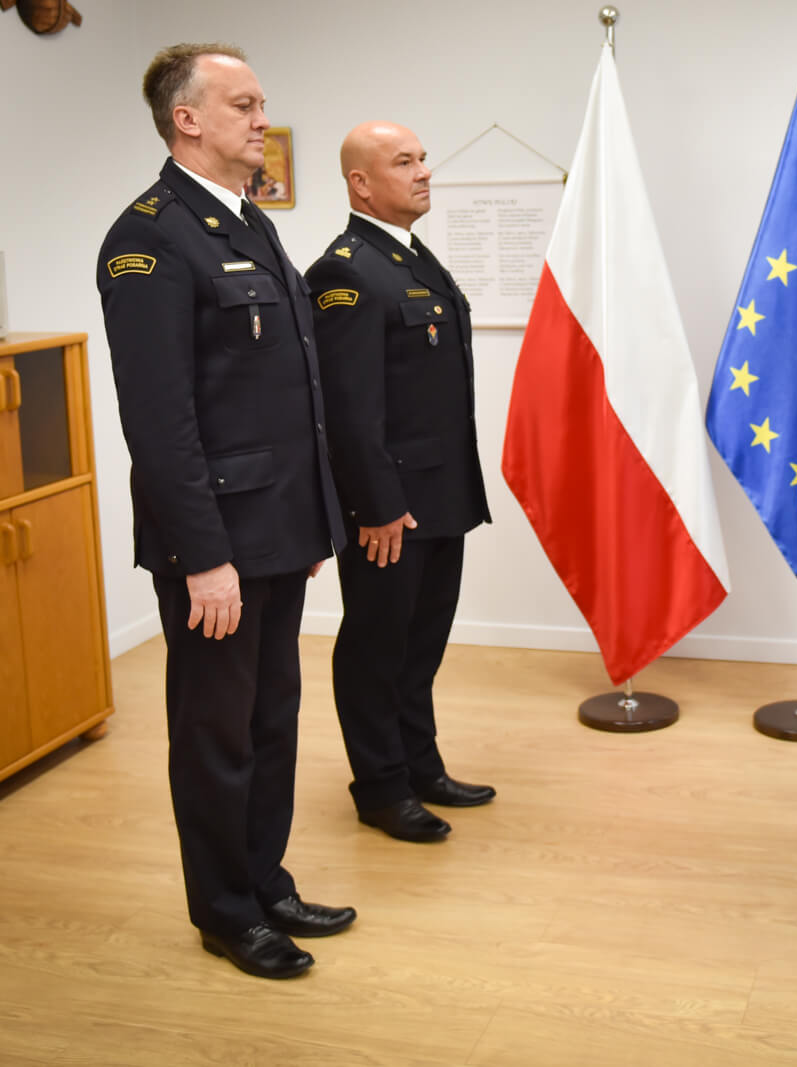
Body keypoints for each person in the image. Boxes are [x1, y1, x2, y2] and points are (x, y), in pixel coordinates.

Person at [96, 43, 355, 980]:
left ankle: (265, 879)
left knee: (272, 719)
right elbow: (159, 423)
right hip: (214, 545)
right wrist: (204, 556)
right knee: (215, 733)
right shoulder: (150, 239)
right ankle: (225, 911)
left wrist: (311, 520)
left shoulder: (247, 220)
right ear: (188, 119)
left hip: (277, 530)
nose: (260, 117)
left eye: (259, 101)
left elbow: (290, 394)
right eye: (242, 103)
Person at [306, 122, 494, 844]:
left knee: (420, 648)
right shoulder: (346, 273)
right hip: (392, 510)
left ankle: (421, 766)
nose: (423, 172)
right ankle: (381, 788)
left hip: (440, 498)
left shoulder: (408, 257)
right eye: (404, 162)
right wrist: (376, 506)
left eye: (423, 159)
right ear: (360, 183)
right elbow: (349, 411)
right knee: (376, 649)